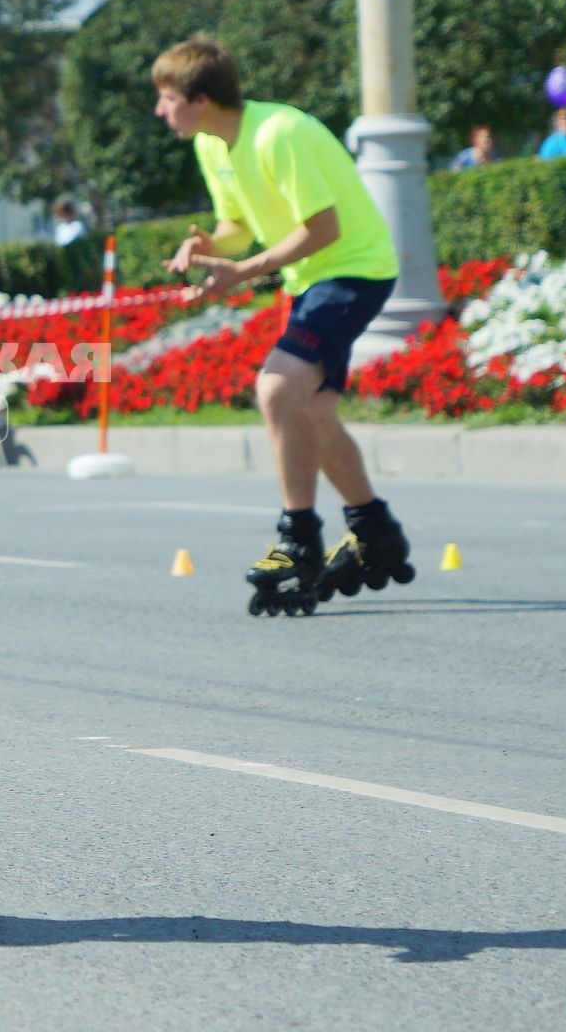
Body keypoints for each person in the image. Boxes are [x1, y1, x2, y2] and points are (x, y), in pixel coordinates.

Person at [152, 35, 415, 616]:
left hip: (354, 270)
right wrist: (207, 245)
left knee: (275, 389)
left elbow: (323, 228)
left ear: (199, 97)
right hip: (313, 281)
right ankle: (375, 532)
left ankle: (299, 540)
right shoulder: (212, 146)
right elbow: (238, 227)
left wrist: (244, 271)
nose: (160, 109)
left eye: (167, 97)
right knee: (312, 410)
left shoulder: (279, 133)